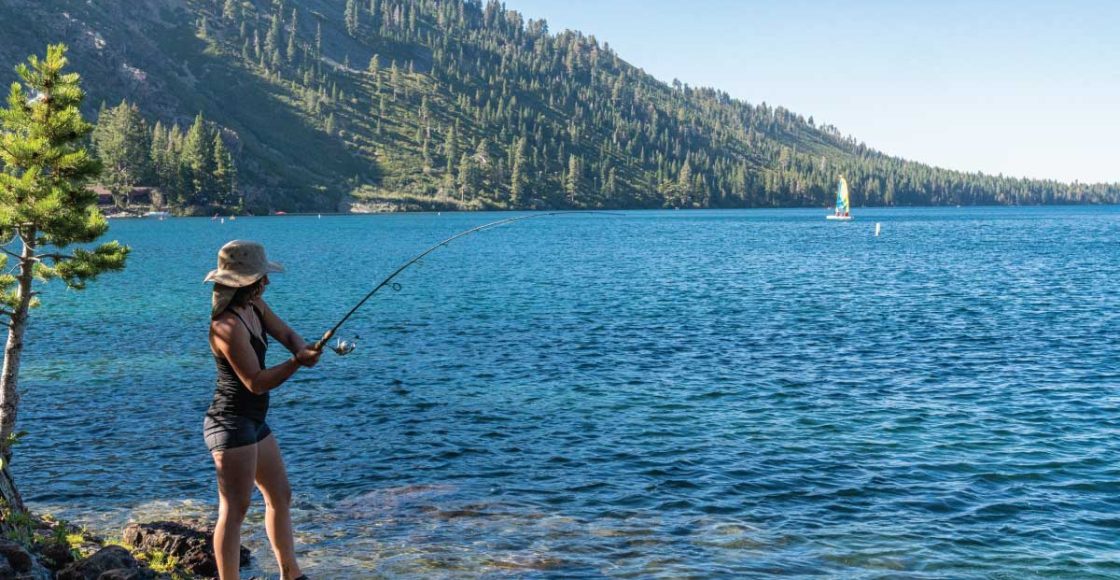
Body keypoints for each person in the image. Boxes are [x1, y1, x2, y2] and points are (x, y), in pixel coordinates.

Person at [203, 240, 321, 580]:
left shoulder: (254, 307)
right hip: (229, 424)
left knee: (280, 494)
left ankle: (291, 574)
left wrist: (302, 348)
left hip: (253, 421)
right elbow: (255, 382)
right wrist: (297, 363)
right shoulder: (225, 326)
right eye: (260, 277)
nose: (265, 282)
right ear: (243, 283)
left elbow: (284, 332)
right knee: (235, 509)